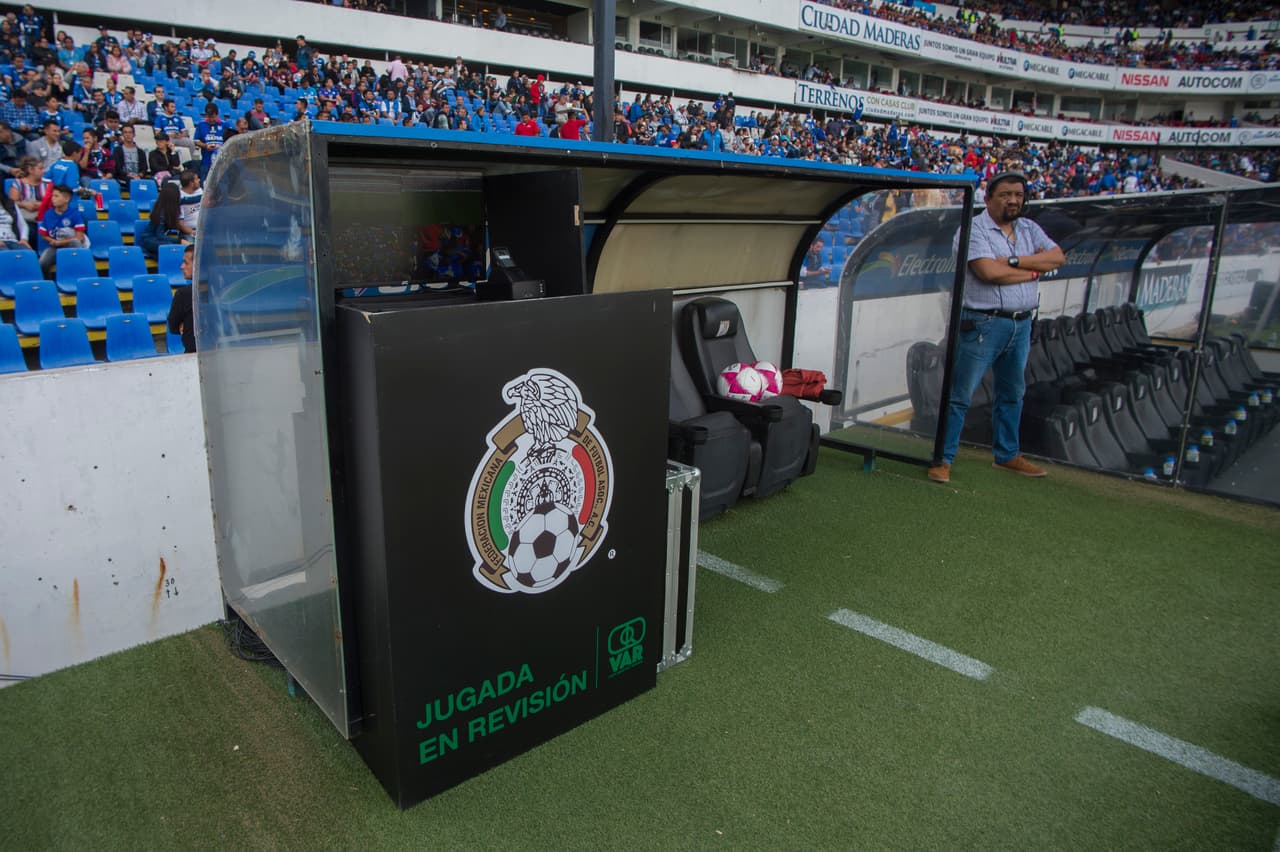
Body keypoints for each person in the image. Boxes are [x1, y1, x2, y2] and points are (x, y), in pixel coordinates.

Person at [928, 172, 1065, 484]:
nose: (1013, 200)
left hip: (1021, 323)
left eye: (1018, 194)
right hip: (982, 323)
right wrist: (1033, 271)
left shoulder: (1029, 228)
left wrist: (1015, 262)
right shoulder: (973, 229)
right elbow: (988, 272)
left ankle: (1006, 455)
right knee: (961, 394)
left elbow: (1057, 258)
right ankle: (943, 458)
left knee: (1012, 393)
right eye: (1005, 194)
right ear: (988, 199)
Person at [37, 184, 88, 274]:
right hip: (55, 247)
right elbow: (43, 235)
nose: (53, 198)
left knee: (75, 243)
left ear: (66, 199)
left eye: (56, 196)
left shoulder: (75, 214)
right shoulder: (48, 214)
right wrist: (52, 241)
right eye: (52, 195)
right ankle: (48, 284)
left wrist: (60, 242)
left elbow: (79, 238)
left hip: (71, 245)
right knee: (42, 263)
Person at [137, 181, 192, 257]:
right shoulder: (162, 213)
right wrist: (179, 241)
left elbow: (189, 200)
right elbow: (159, 235)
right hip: (150, 240)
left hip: (157, 239)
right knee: (170, 246)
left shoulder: (171, 208)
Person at [166, 245, 195, 353]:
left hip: (193, 354)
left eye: (186, 263)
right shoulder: (220, 291)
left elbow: (173, 326)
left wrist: (185, 324)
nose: (182, 267)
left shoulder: (183, 294)